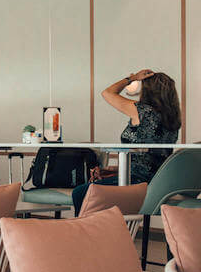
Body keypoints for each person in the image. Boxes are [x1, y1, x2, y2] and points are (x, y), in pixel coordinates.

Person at [72, 69, 181, 214]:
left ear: (148, 90)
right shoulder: (171, 118)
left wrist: (132, 78)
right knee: (94, 189)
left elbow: (108, 93)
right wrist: (116, 169)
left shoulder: (143, 111)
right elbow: (151, 158)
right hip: (157, 182)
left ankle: (87, 232)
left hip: (135, 181)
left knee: (80, 192)